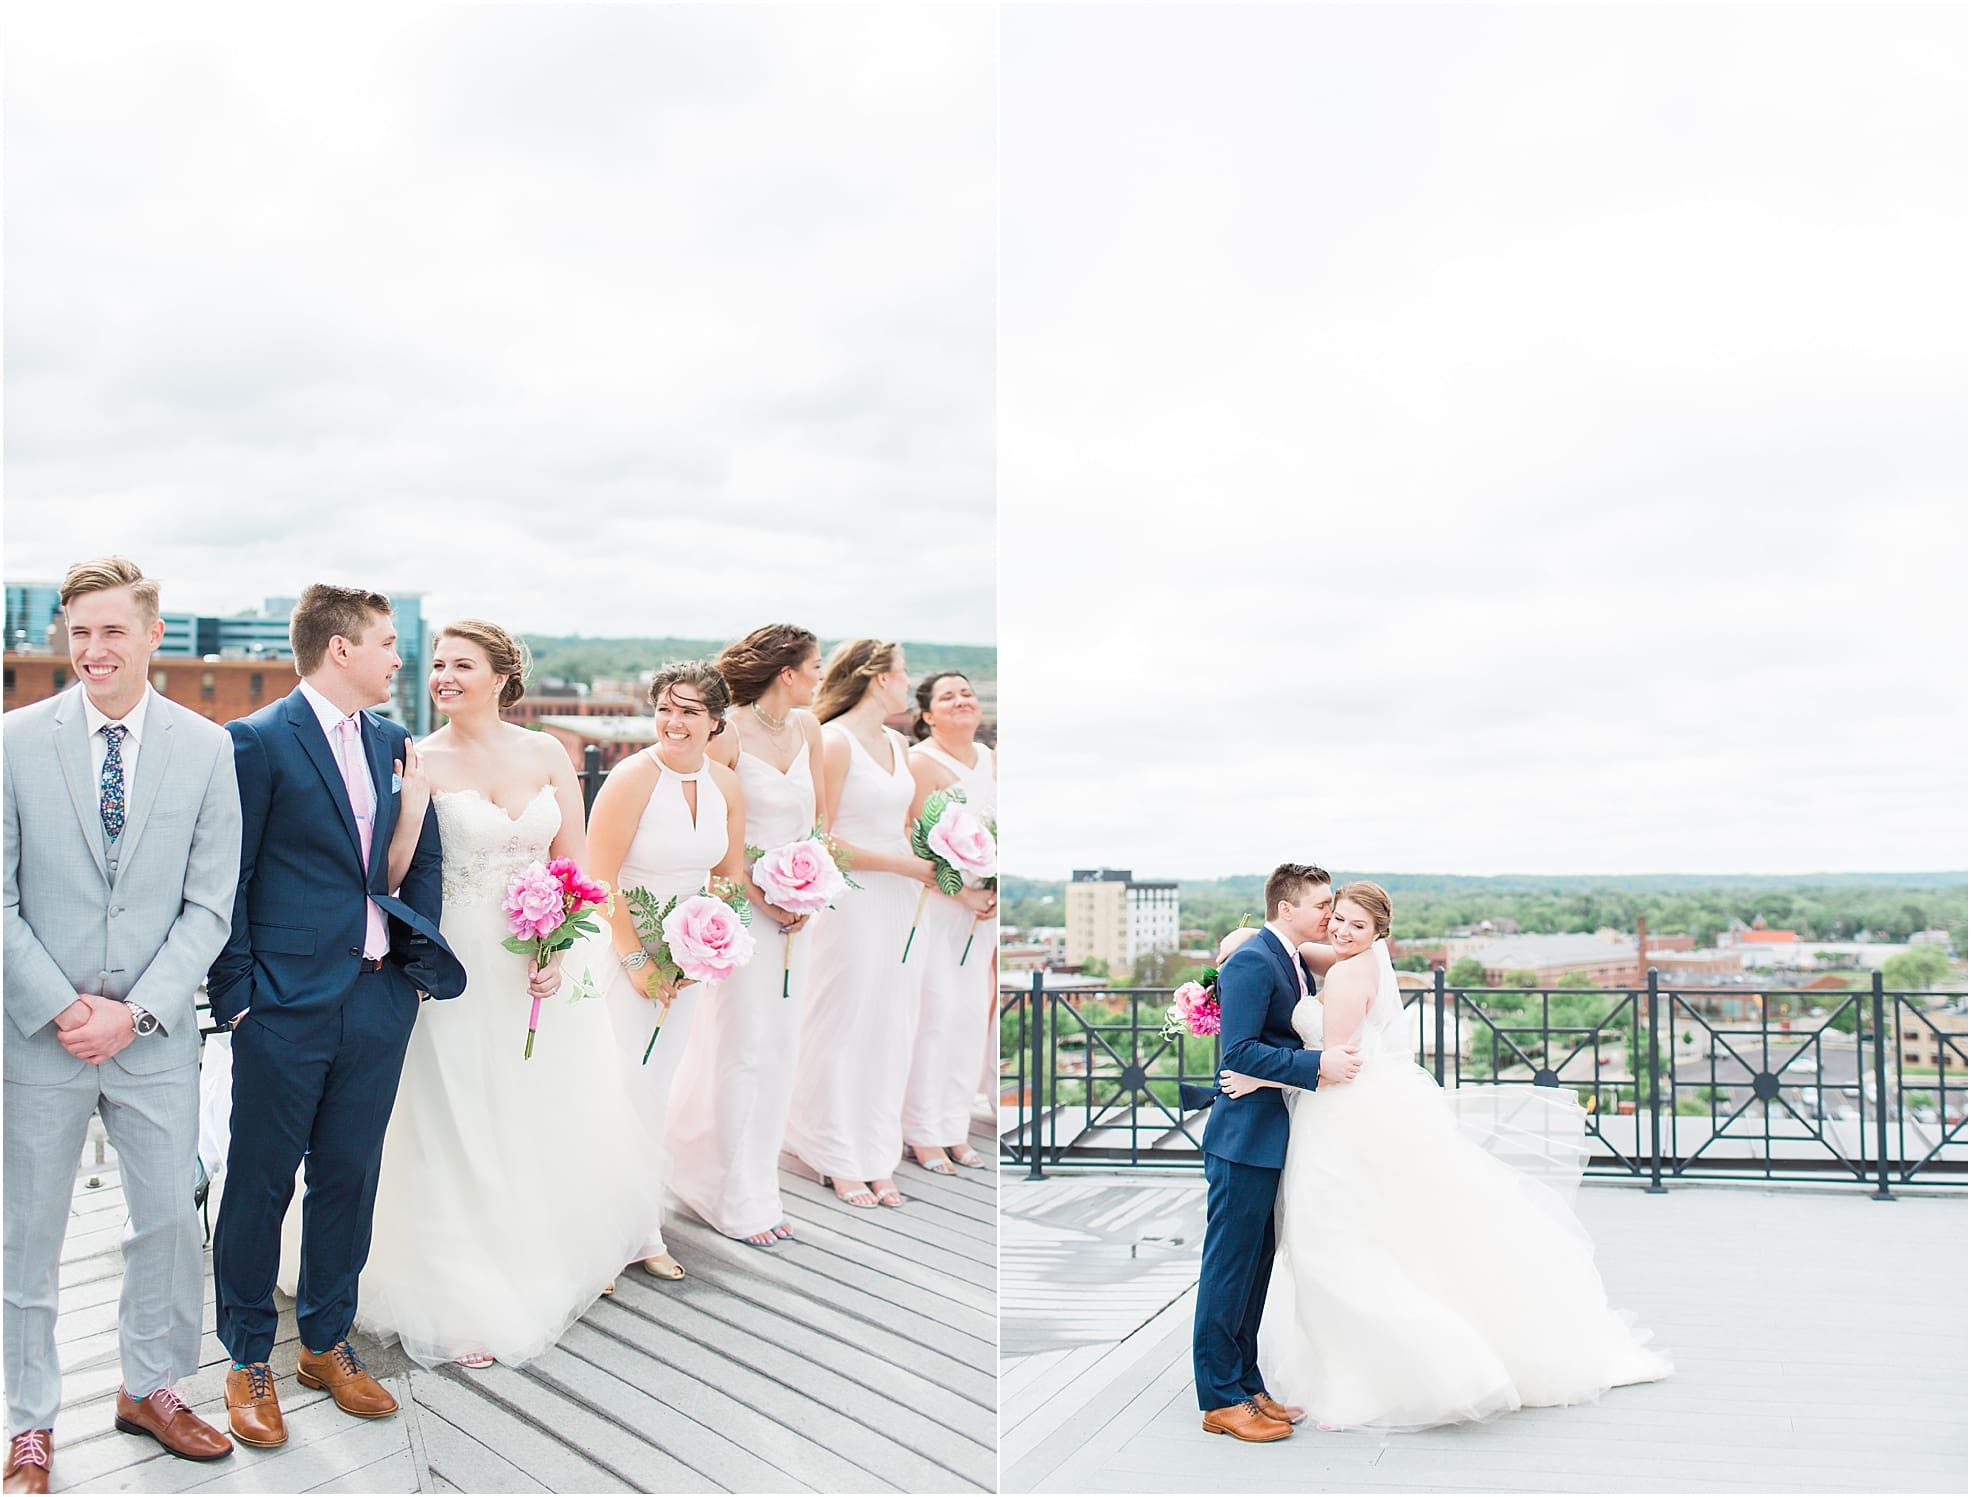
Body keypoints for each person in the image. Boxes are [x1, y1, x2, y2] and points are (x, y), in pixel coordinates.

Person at [1221, 881, 1673, 1429]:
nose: (1340, 929)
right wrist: (1247, 934)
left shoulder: (1345, 973)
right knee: (1354, 1240)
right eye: (1335, 917)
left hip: (1337, 1118)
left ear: (1379, 933)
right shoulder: (1353, 957)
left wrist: (1257, 1078)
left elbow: (1329, 1062)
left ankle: (1402, 1373)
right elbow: (1303, 951)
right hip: (1354, 1108)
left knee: (1332, 1246)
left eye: (1355, 925)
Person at [348, 620, 662, 1366]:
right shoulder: (414, 756)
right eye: (437, 664)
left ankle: (536, 1255)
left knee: (531, 1106)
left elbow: (576, 871)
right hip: (454, 964)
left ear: (501, 676)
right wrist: (416, 804)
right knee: (453, 1115)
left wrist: (559, 944)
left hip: (536, 964)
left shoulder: (548, 751)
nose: (444, 676)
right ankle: (455, 1286)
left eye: (463, 664)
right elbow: (387, 879)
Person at [206, 584, 466, 1450]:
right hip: (280, 1005)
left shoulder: (396, 742)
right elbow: (228, 878)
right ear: (340, 649)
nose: (402, 658)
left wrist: (410, 981)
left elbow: (419, 859)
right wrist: (238, 998)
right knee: (260, 1180)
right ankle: (247, 1356)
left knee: (349, 1176)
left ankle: (323, 1341)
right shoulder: (255, 740)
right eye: (389, 643)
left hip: (375, 997)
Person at [3, 558, 242, 1492]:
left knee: (167, 1230)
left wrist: (135, 1012)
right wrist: (66, 1008)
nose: (92, 650)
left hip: (154, 1040)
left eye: (111, 631)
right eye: (78, 632)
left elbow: (209, 906)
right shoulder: (14, 740)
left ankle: (153, 1387)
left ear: (152, 636)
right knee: (28, 1233)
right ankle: (29, 1421)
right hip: (37, 1036)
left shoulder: (206, 747)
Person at [1186, 863, 1359, 1442]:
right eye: (1320, 906)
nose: (1328, 916)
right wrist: (1316, 1067)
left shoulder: (1288, 957)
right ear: (1286, 908)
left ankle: (1247, 1383)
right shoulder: (1255, 959)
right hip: (1242, 1140)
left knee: (1255, 1269)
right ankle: (1218, 1398)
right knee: (1228, 1269)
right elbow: (1237, 1051)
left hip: (1271, 1136)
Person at [587, 661, 746, 1280]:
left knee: (656, 1090)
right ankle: (601, 1232)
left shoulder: (726, 786)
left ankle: (641, 1225)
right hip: (624, 951)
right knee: (617, 1085)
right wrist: (636, 963)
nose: (674, 722)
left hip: (688, 962)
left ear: (715, 721)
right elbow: (601, 880)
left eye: (690, 711)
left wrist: (709, 946)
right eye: (665, 708)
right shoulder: (631, 778)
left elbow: (728, 877)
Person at [671, 625, 827, 1246]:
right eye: (816, 665)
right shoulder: (727, 731)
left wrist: (810, 889)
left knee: (782, 1048)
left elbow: (819, 824)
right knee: (742, 1047)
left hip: (799, 912)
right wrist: (762, 895)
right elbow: (712, 831)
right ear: (787, 672)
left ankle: (762, 1186)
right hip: (739, 911)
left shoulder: (809, 729)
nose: (822, 675)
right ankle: (727, 1192)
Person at [783, 640, 937, 1210]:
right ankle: (831, 1150)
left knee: (891, 1023)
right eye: (902, 674)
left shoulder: (899, 743)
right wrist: (905, 864)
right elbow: (820, 838)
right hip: (852, 899)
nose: (906, 684)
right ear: (877, 679)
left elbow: (906, 823)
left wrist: (942, 857)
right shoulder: (835, 741)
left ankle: (876, 1151)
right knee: (841, 1022)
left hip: (903, 900)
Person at [901, 672, 998, 1174]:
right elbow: (917, 848)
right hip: (939, 909)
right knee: (934, 1018)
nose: (961, 701)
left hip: (980, 917)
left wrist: (996, 887)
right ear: (927, 715)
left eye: (967, 693)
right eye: (947, 696)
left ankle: (953, 1126)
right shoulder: (921, 763)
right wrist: (968, 894)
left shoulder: (991, 760)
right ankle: (921, 1131)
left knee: (966, 1021)